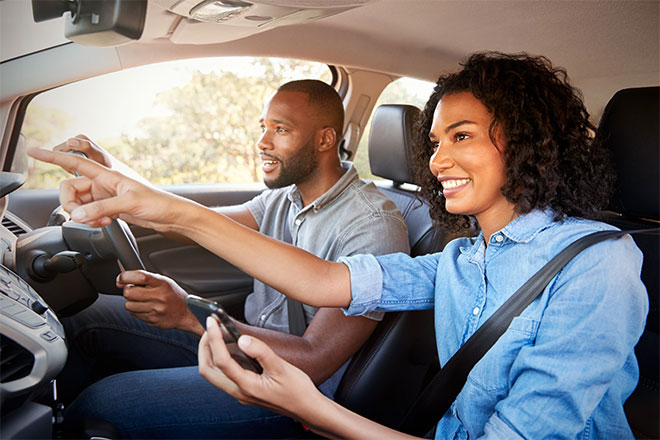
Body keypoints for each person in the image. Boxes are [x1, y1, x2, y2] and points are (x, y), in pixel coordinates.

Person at [29, 52, 649, 439]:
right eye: (434, 143)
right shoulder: (464, 257)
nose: (438, 161)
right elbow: (327, 282)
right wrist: (154, 202)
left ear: (528, 140)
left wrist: (311, 411)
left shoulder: (598, 264)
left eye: (461, 136)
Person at [50, 79, 410, 438]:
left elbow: (314, 361)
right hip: (245, 345)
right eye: (263, 127)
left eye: (280, 129)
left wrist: (188, 315)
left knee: (100, 407)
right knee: (83, 320)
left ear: (325, 140)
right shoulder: (285, 198)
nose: (262, 142)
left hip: (291, 392)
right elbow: (188, 223)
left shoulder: (373, 227)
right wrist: (113, 178)